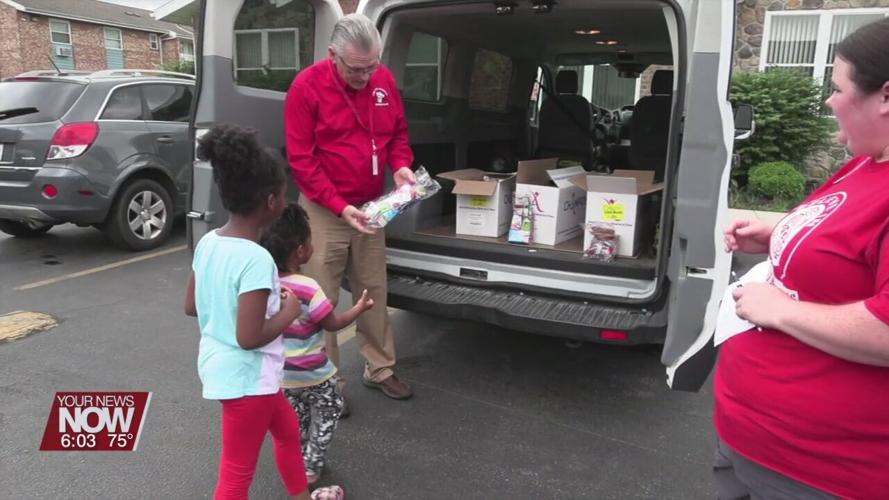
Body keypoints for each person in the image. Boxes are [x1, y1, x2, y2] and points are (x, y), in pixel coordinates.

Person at [717, 18, 889, 499]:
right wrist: (780, 232)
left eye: (837, 89)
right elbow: (846, 240)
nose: (830, 102)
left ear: (887, 97)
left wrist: (779, 309)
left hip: (822, 471)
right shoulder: (866, 161)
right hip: (754, 442)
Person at [183, 125, 343, 500]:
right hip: (246, 379)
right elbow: (249, 337)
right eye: (285, 195)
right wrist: (289, 310)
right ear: (271, 201)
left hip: (241, 374)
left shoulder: (209, 242)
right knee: (236, 477)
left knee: (288, 434)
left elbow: (191, 306)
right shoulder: (255, 258)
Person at [285, 13, 416, 407]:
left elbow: (397, 135)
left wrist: (402, 166)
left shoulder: (383, 80)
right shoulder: (306, 88)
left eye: (372, 67)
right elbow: (303, 161)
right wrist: (340, 208)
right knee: (319, 296)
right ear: (332, 56)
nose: (365, 77)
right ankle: (328, 382)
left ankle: (380, 367)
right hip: (325, 208)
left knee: (373, 288)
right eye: (356, 70)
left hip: (372, 206)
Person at [260, 203, 374, 485]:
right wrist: (359, 309)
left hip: (284, 376)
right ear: (300, 251)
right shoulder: (309, 287)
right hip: (315, 374)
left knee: (297, 421)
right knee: (330, 409)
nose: (312, 246)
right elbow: (332, 323)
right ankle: (312, 464)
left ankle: (297, 459)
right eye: (310, 241)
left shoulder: (266, 285)